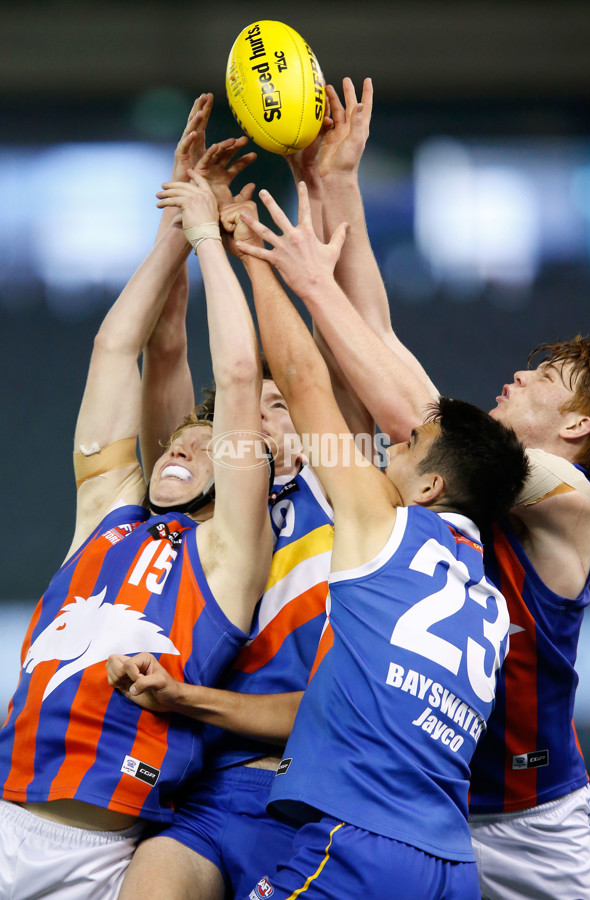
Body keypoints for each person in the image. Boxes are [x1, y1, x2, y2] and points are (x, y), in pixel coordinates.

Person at [243, 77, 590, 900]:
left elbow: (407, 404)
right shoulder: (471, 464)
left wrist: (309, 282)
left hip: (532, 816)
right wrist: (336, 183)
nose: (520, 372)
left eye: (546, 376)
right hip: (429, 803)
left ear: (577, 427)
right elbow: (382, 338)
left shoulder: (567, 495)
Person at [0, 112, 273, 897]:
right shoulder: (109, 514)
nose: (183, 446)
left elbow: (243, 377)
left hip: (97, 856)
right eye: (178, 438)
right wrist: (173, 229)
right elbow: (115, 349)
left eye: (205, 442)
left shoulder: (227, 556)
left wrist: (213, 239)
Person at [233, 180, 529, 900]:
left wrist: (256, 258)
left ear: (430, 486)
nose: (387, 452)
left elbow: (302, 380)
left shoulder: (384, 524)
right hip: (451, 865)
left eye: (406, 445)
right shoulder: (488, 596)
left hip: (359, 842)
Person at [108, 141, 338, 900]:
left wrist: (321, 191)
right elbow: (167, 352)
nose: (268, 415)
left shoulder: (345, 497)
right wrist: (184, 214)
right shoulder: (203, 495)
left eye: (286, 406)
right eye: (255, 406)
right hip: (209, 789)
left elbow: (331, 348)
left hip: (322, 791)